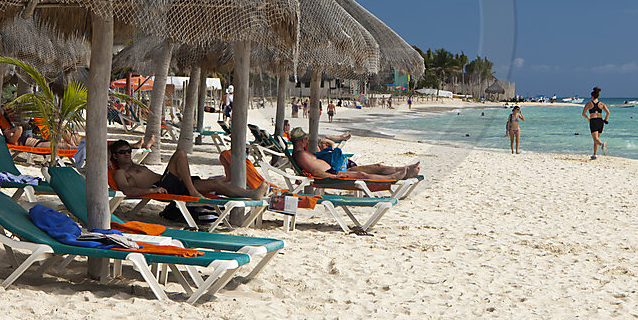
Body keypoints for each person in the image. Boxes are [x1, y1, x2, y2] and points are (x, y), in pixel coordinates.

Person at [108, 140, 267, 200]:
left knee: (215, 184)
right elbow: (128, 190)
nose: (127, 154)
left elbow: (136, 145)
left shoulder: (134, 165)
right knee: (180, 154)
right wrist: (152, 190)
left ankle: (251, 194)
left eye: (128, 151)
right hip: (162, 186)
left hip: (172, 183)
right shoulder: (121, 173)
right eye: (122, 152)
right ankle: (192, 191)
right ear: (115, 156)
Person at [290, 127, 419, 181]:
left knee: (377, 166)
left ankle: (405, 170)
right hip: (333, 174)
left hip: (337, 169)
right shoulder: (301, 155)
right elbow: (316, 172)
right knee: (362, 175)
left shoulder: (302, 153)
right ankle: (392, 178)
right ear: (302, 140)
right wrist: (334, 177)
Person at [582, 87, 608, 160]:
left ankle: (602, 144)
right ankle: (594, 155)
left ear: (592, 96)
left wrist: (588, 118)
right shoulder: (602, 104)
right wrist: (605, 120)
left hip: (593, 121)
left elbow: (583, 114)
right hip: (600, 122)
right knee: (596, 139)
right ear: (598, 96)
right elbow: (608, 112)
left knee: (596, 139)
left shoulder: (588, 104)